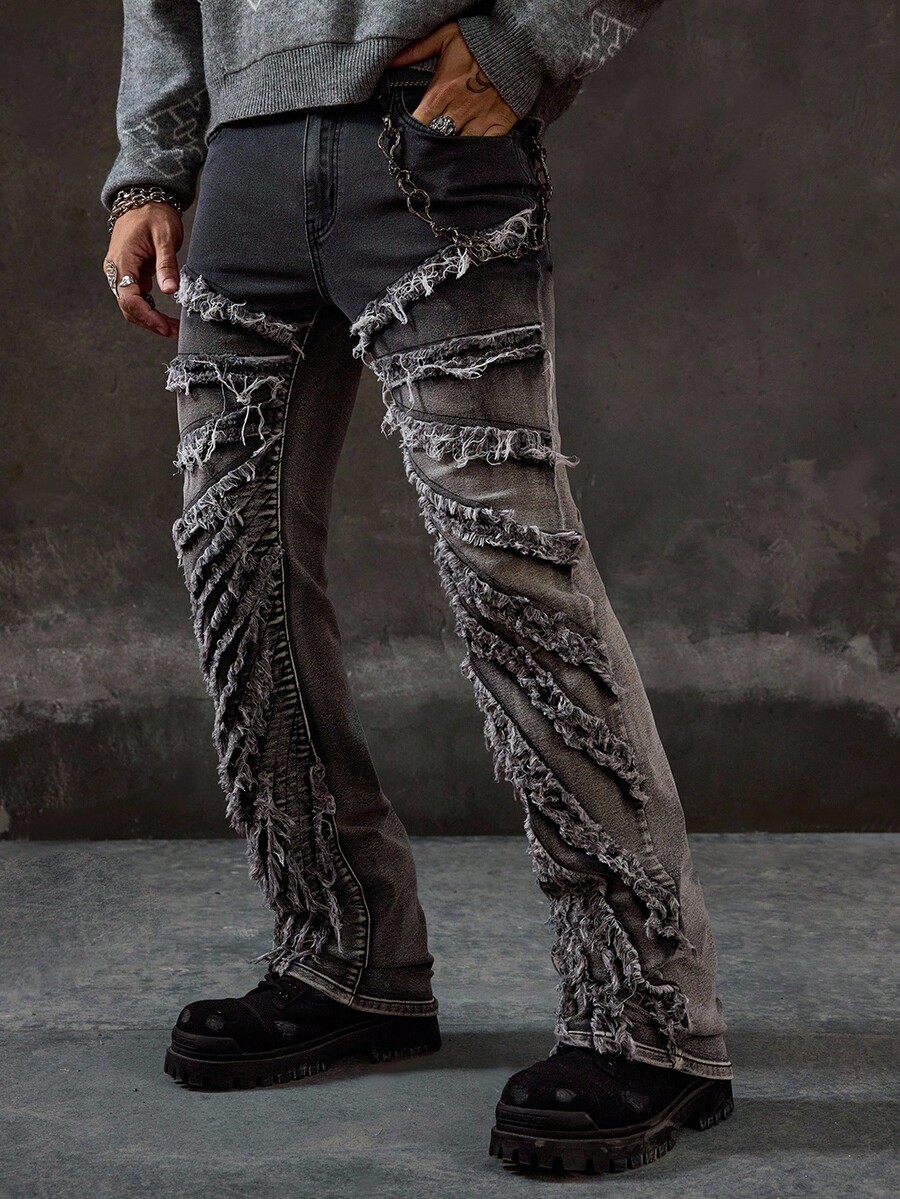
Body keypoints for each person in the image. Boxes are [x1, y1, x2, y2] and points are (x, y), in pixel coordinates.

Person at [101, 1, 734, 1175]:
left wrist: (530, 39)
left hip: (425, 138)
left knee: (511, 574)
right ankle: (346, 953)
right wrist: (152, 163)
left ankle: (647, 1016)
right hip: (239, 158)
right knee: (235, 569)